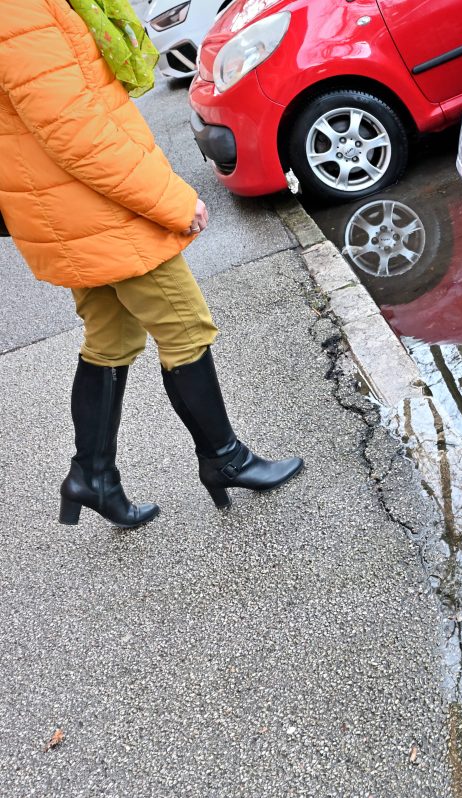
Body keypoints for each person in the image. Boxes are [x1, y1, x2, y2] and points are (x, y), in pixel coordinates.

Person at [0, 0, 302, 529]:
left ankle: (92, 476)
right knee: (185, 327)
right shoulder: (18, 13)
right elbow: (77, 133)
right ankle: (224, 459)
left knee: (111, 338)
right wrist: (170, 200)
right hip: (93, 206)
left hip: (69, 208)